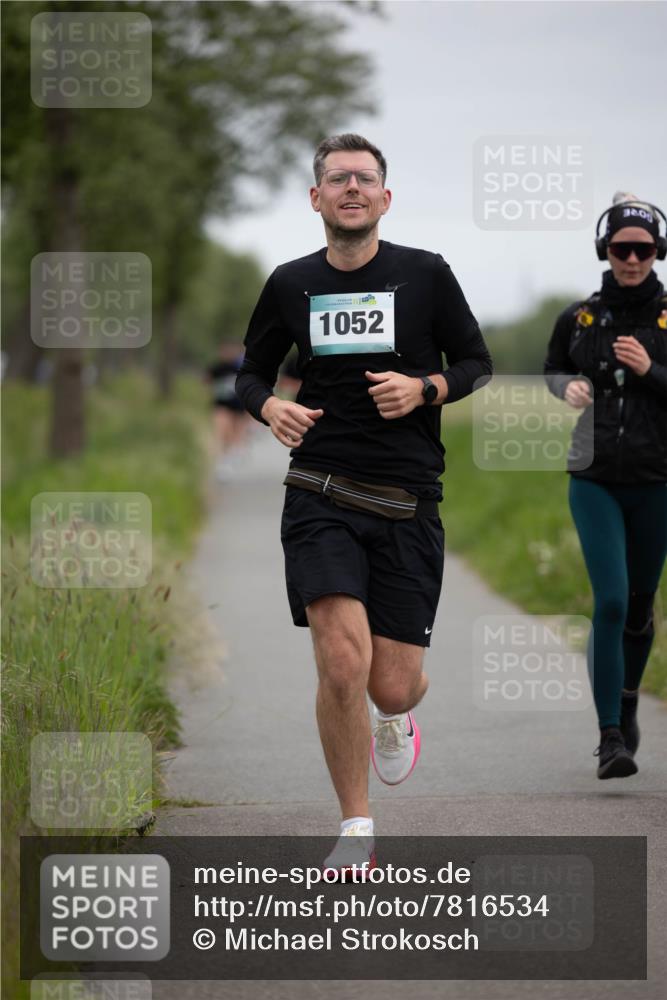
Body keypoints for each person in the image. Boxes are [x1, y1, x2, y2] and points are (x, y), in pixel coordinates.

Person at [236, 134, 492, 873]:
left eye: (365, 177)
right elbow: (249, 374)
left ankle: (395, 717)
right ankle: (356, 825)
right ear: (315, 197)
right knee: (343, 663)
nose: (352, 187)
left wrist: (425, 388)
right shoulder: (289, 283)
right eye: (338, 177)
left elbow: (475, 362)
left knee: (393, 685)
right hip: (319, 490)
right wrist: (269, 408)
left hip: (407, 499)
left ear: (385, 197)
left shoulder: (425, 273)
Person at [544, 192, 667, 780]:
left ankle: (627, 699)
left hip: (657, 479)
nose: (632, 259)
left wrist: (650, 370)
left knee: (640, 606)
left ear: (657, 251)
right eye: (621, 248)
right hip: (593, 477)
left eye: (643, 249)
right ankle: (610, 737)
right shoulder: (579, 317)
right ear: (605, 250)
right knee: (612, 600)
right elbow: (553, 368)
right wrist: (565, 387)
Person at [206, 342, 250, 482]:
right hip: (221, 405)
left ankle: (232, 456)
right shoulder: (216, 368)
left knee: (234, 432)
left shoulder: (241, 367)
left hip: (238, 405)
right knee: (221, 431)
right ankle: (222, 462)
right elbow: (206, 380)